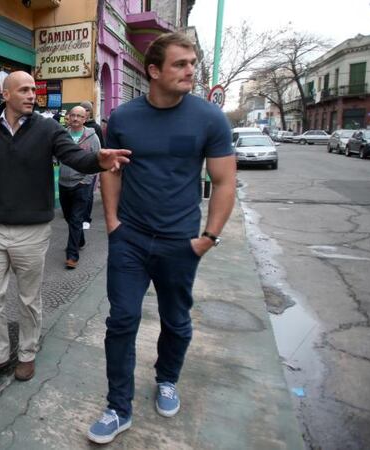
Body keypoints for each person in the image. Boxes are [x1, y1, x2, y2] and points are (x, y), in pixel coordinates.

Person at [87, 32, 236, 444]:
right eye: (180, 64)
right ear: (154, 71)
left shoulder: (209, 118)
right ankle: (119, 407)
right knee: (122, 321)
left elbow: (225, 183)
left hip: (180, 242)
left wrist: (208, 238)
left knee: (177, 322)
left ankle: (167, 378)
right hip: (130, 239)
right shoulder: (123, 118)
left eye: (192, 64)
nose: (190, 71)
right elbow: (111, 170)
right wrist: (113, 223)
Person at [0, 71, 131, 383]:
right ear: (5, 95)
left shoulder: (48, 129)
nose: (32, 94)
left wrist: (98, 160)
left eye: (33, 89)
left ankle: (27, 353)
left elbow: (75, 157)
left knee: (28, 298)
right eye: (23, 90)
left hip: (32, 231)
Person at [58, 105, 100, 270]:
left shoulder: (92, 138)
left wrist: (87, 180)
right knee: (69, 218)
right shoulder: (62, 136)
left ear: (85, 119)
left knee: (76, 219)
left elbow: (98, 161)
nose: (75, 119)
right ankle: (80, 239)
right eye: (73, 115)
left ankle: (72, 255)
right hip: (63, 183)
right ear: (68, 117)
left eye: (79, 116)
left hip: (82, 184)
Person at [79, 101, 103, 228]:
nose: (83, 112)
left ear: (89, 112)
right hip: (76, 166)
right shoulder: (73, 126)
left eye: (86, 110)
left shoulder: (95, 127)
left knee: (88, 194)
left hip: (91, 166)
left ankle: (86, 219)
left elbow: (101, 148)